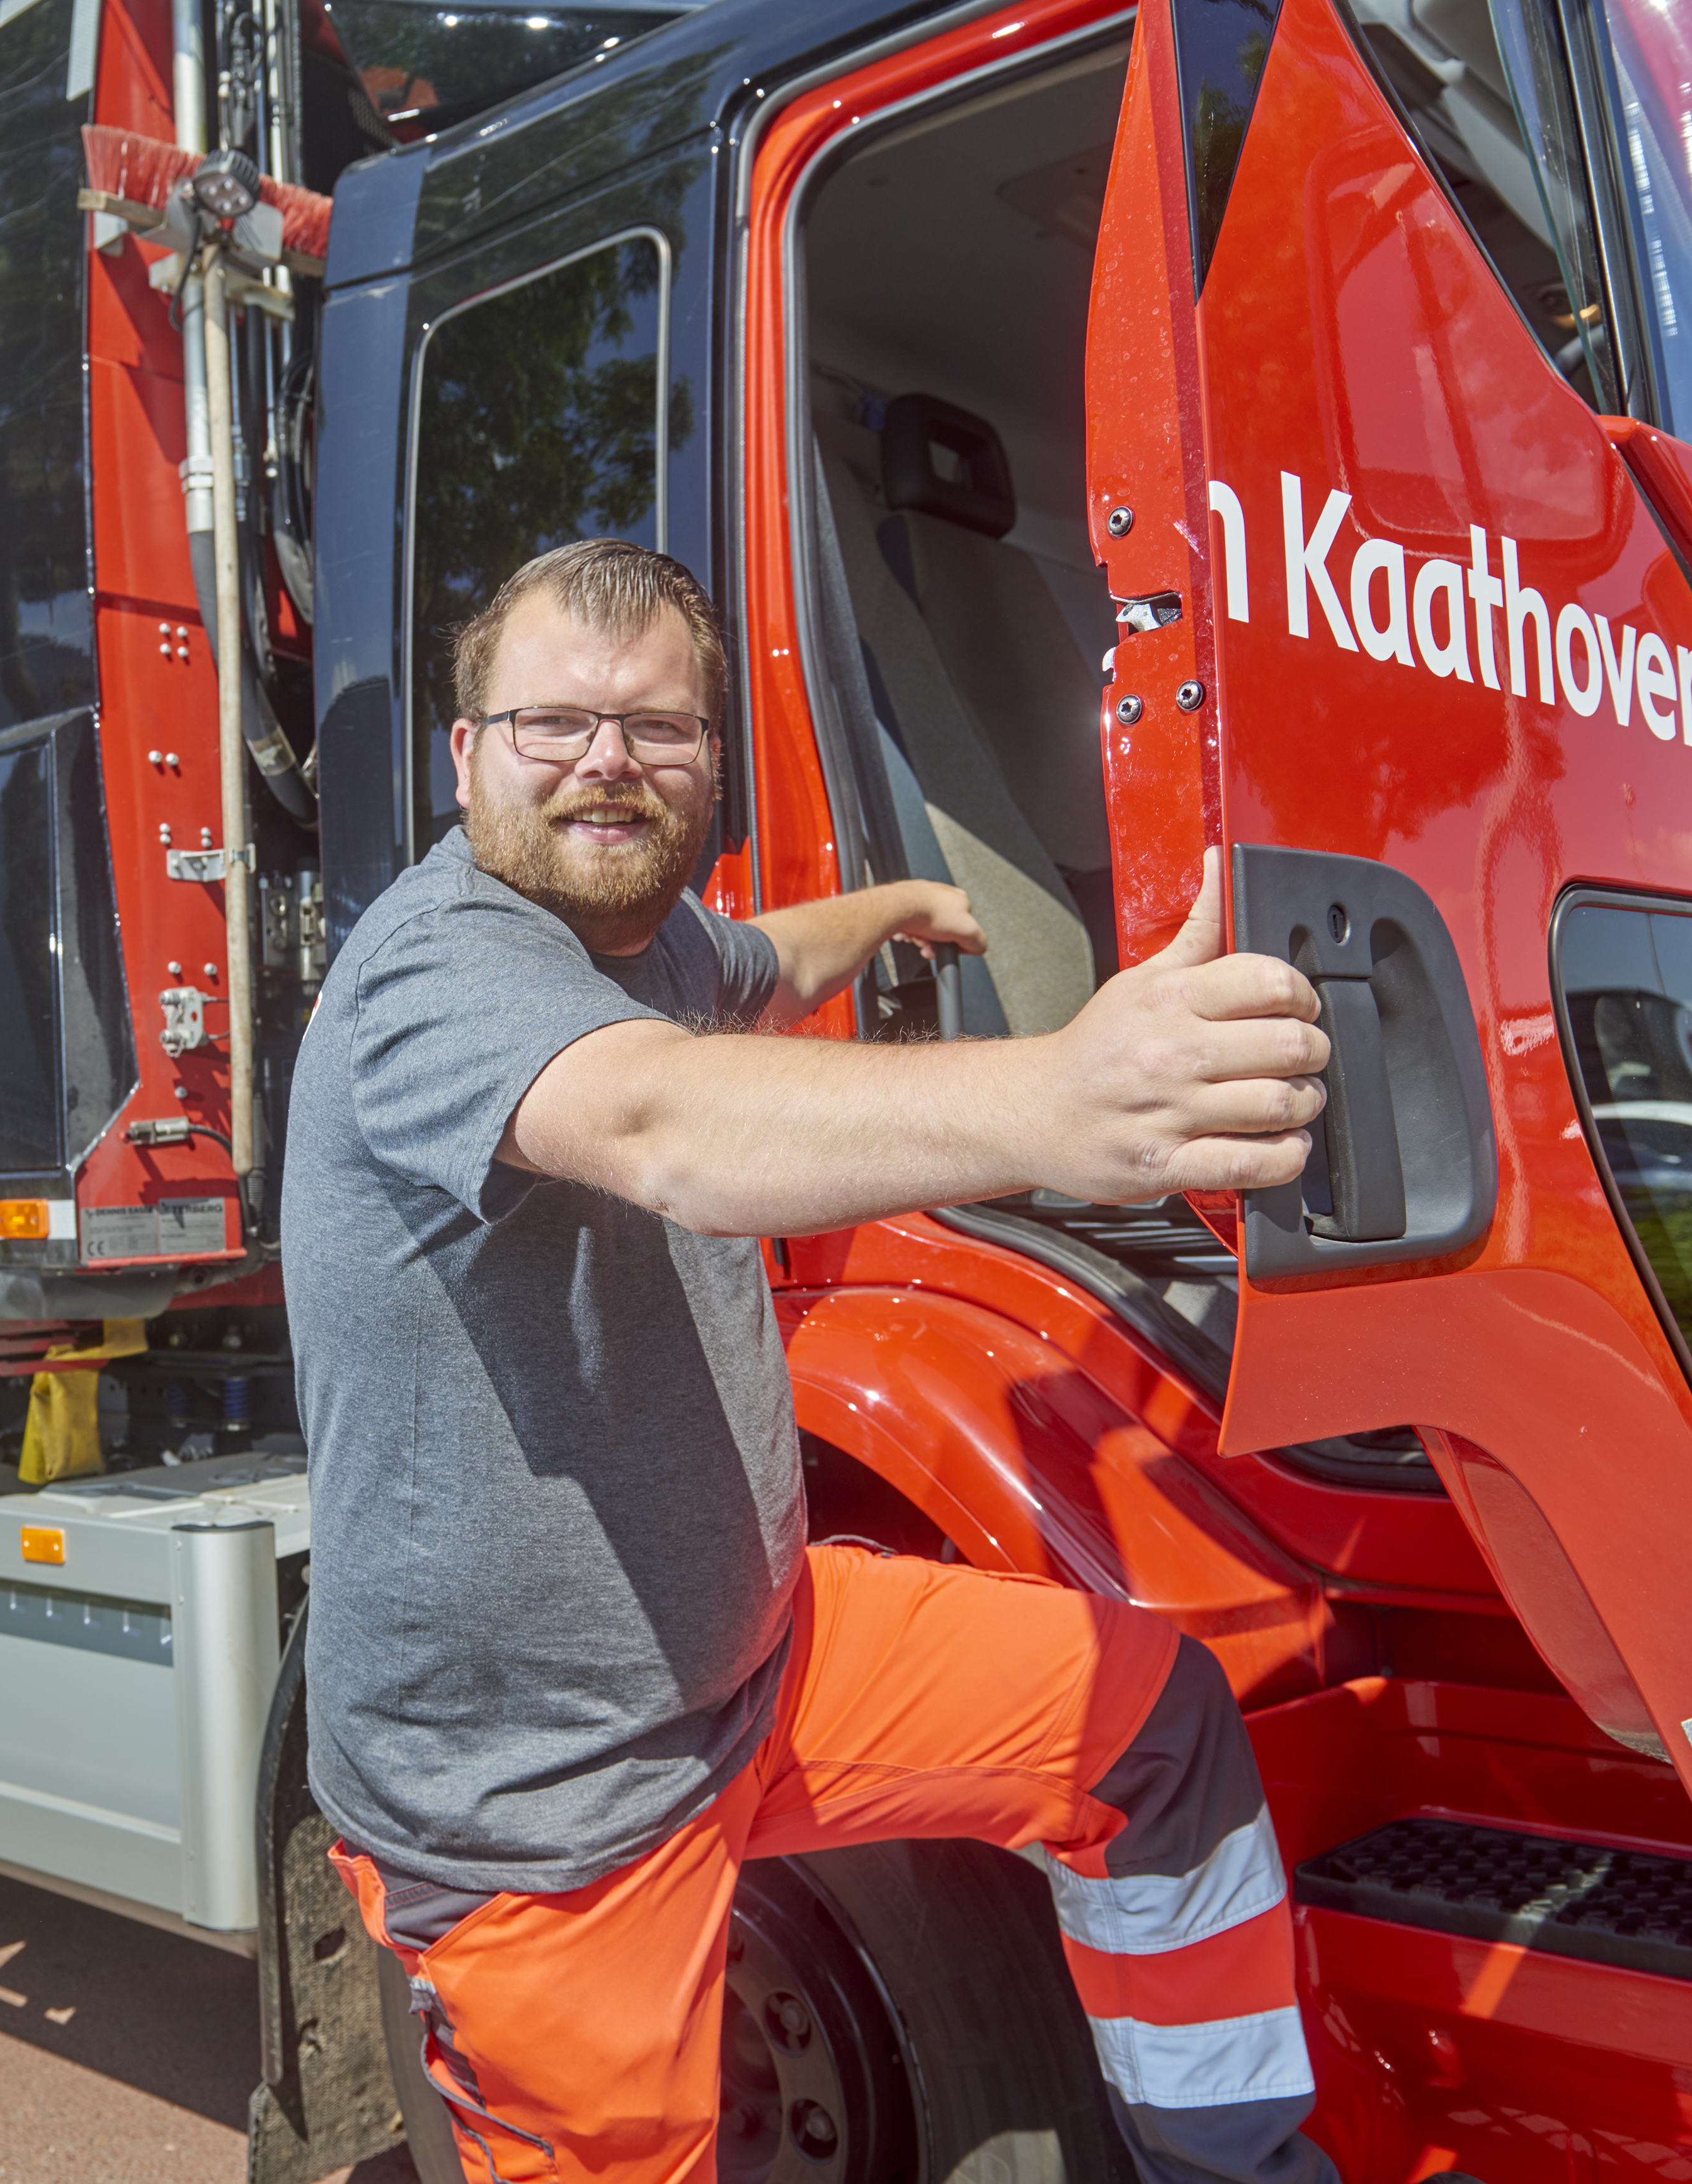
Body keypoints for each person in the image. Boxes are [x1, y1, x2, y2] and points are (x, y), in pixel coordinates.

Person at [281, 537, 1345, 2184]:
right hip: (546, 1814)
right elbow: (659, 1119)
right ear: (463, 752)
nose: (606, 764)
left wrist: (908, 906)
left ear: (714, 756)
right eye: (552, 723)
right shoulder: (437, 970)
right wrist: (1062, 1096)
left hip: (762, 1671)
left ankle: (1235, 2167)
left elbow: (764, 963)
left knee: (1158, 1731)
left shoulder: (650, 940)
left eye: (658, 730)